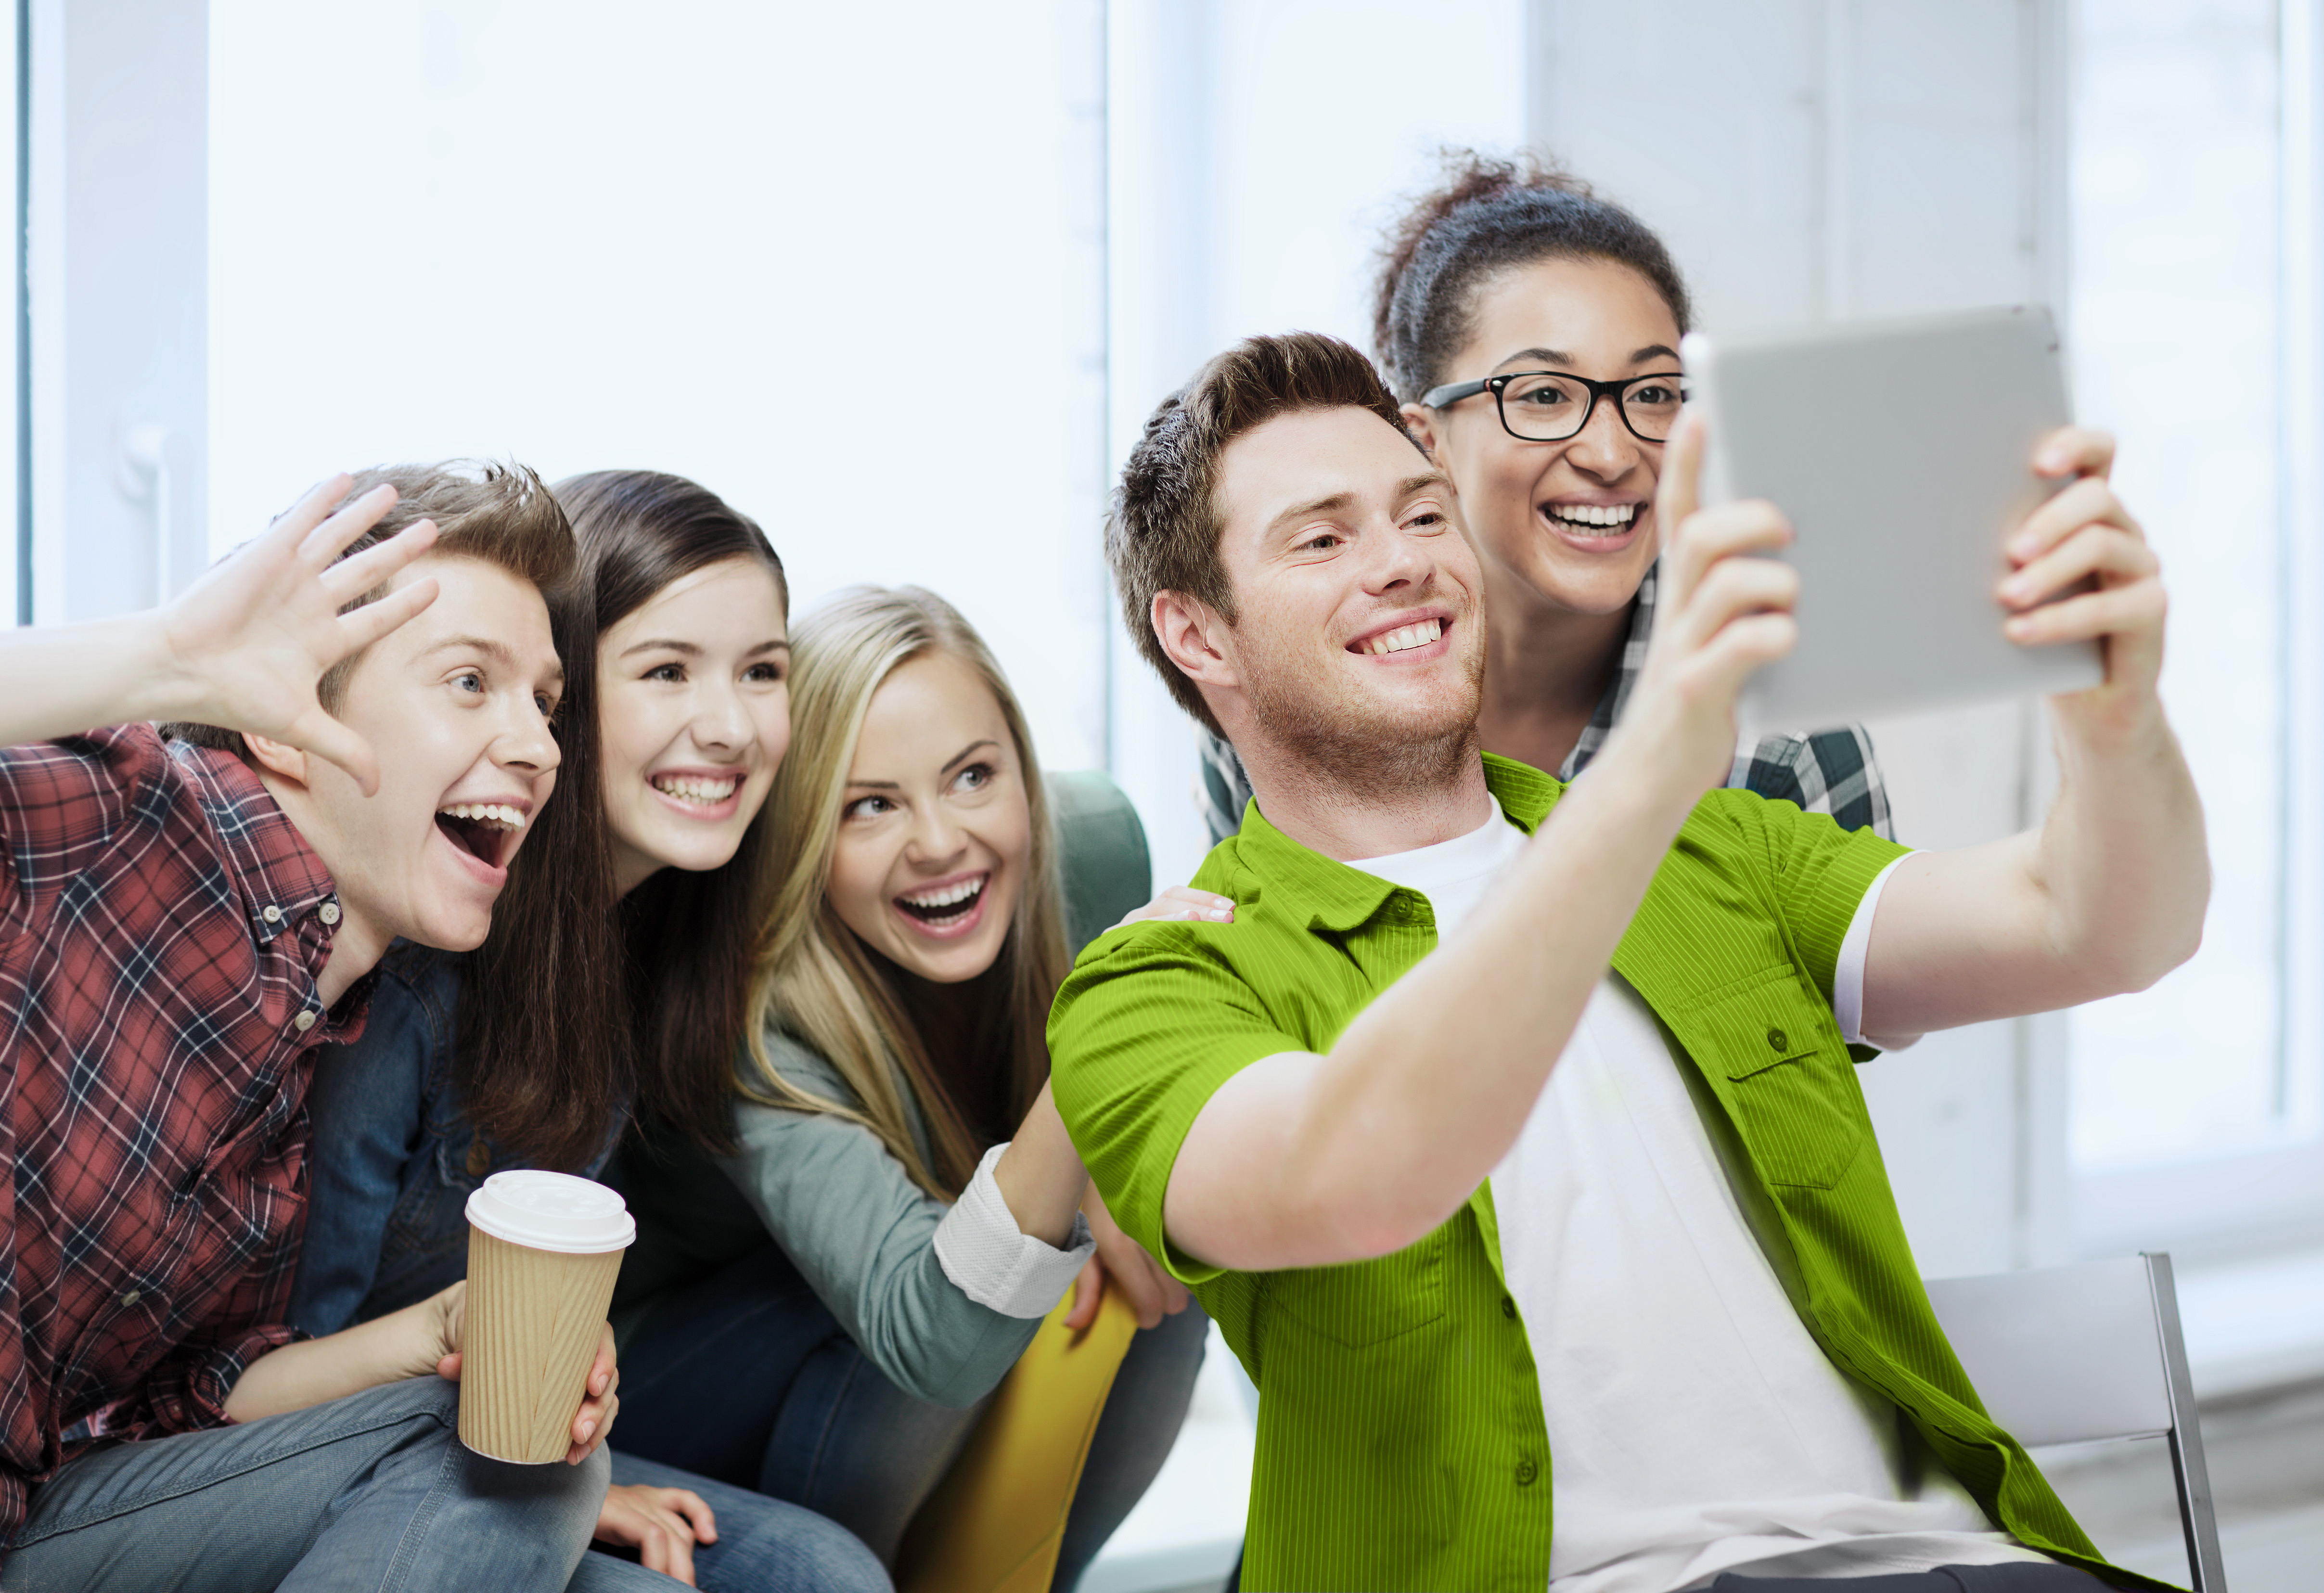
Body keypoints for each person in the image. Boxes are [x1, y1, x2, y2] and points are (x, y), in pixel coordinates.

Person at [1052, 332, 2205, 1592]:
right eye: (1320, 538)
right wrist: (1665, 741)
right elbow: (1358, 1165)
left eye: (1422, 511)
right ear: (1195, 633)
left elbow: (2098, 923)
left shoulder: (1706, 847)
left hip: (1949, 1563)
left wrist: (2112, 716)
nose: (1400, 562)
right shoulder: (1156, 984)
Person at [0, 464, 625, 1590]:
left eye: (545, 702)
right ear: (288, 727)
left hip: (56, 1514)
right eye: (471, 681)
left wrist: (439, 1330)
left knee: (556, 1485)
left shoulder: (317, 1033)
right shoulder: (112, 820)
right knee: (497, 1459)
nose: (539, 748)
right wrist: (170, 655)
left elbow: (183, 1400)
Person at [287, 470, 887, 1592]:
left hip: (511, 1431)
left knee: (827, 1572)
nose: (730, 723)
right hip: (343, 1453)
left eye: (763, 672)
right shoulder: (419, 956)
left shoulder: (656, 932)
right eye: (667, 671)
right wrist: (567, 1480)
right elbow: (266, 1369)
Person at [609, 587, 1209, 1593]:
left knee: (1166, 1246)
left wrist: (1126, 1169)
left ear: (1022, 768)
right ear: (801, 833)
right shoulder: (752, 1012)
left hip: (906, 1334)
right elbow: (927, 1334)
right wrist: (1089, 1088)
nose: (938, 841)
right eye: (870, 805)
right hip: (676, 1378)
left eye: (972, 776)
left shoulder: (1097, 847)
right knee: (924, 1282)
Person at [1196, 153, 1889, 843]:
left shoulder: (1779, 736)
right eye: (1544, 396)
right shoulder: (1278, 686)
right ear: (1423, 440)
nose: (1612, 456)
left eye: (1652, 394)